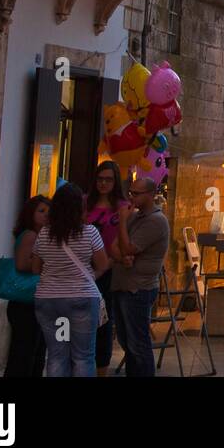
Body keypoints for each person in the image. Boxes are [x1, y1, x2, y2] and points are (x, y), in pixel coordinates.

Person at [32, 182, 109, 377]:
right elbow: (102, 265)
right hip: (81, 301)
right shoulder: (90, 233)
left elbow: (35, 268)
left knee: (58, 355)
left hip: (50, 301)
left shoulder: (44, 234)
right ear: (80, 208)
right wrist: (89, 276)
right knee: (83, 356)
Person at [112, 177, 170, 377]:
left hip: (138, 287)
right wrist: (122, 258)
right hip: (123, 284)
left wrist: (122, 222)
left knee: (138, 343)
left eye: (137, 193)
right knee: (126, 341)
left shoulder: (156, 220)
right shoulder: (135, 217)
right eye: (131, 193)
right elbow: (114, 247)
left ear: (151, 195)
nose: (132, 197)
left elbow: (128, 246)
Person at [85, 160, 128, 375]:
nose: (103, 183)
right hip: (84, 269)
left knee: (104, 322)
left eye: (108, 179)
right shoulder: (85, 204)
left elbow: (122, 240)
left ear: (115, 181)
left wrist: (107, 264)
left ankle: (102, 369)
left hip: (110, 269)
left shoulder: (122, 207)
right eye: (100, 179)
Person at [5, 195, 50, 377]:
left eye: (49, 212)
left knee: (35, 351)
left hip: (35, 301)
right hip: (25, 302)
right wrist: (46, 262)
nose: (46, 216)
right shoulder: (30, 235)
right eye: (41, 211)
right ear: (30, 214)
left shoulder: (41, 236)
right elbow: (22, 264)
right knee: (24, 353)